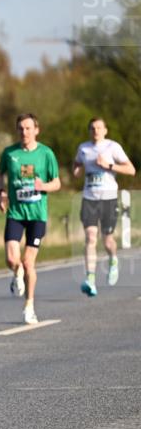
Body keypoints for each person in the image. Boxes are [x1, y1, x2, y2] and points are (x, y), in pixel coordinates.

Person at [0, 113, 61, 325]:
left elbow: (57, 183)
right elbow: (0, 174)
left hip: (37, 215)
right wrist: (2, 193)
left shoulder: (46, 154)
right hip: (15, 213)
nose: (24, 132)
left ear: (36, 130)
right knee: (11, 260)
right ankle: (17, 273)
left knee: (28, 262)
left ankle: (29, 306)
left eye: (28, 128)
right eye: (20, 128)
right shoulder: (9, 153)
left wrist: (43, 186)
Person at [73, 118, 135, 296]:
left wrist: (108, 165)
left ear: (105, 130)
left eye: (99, 128)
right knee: (90, 237)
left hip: (108, 199)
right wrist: (77, 169)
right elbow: (77, 164)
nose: (96, 131)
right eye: (92, 128)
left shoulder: (112, 147)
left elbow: (131, 170)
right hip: (89, 198)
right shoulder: (83, 148)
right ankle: (90, 279)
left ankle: (113, 259)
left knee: (107, 240)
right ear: (89, 131)